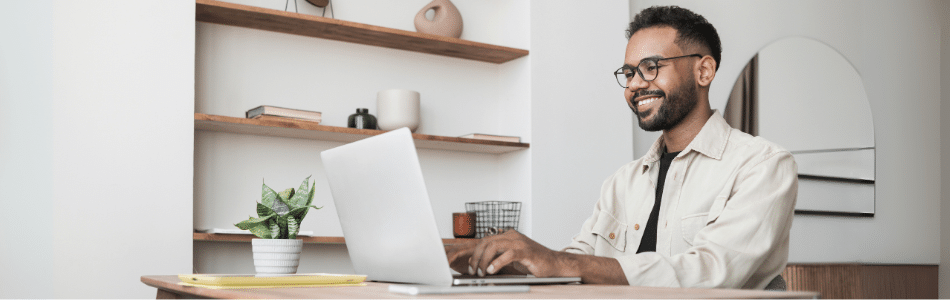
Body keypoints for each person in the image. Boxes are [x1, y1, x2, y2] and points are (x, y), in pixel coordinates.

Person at [446, 5, 797, 290]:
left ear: (703, 71)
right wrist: (489, 259)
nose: (635, 85)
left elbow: (712, 271)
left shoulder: (763, 165)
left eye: (651, 67)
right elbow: (572, 266)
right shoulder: (622, 182)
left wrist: (562, 262)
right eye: (629, 73)